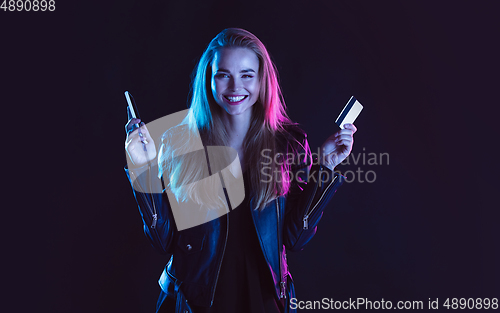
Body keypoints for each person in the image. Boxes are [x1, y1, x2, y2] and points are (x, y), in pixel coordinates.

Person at [124, 28, 357, 313]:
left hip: (263, 302)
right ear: (208, 81)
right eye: (224, 75)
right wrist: (143, 169)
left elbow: (295, 239)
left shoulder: (289, 144)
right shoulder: (179, 142)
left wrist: (325, 169)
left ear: (262, 81)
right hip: (194, 304)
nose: (235, 87)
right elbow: (165, 241)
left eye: (247, 75)